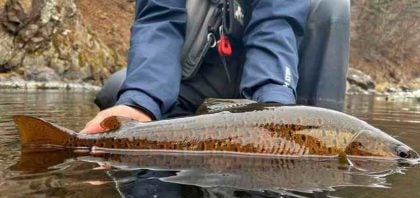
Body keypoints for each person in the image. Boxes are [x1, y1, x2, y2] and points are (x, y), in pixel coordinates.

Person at [81, 0, 350, 134]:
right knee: (117, 90)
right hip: (199, 73)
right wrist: (140, 102)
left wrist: (273, 110)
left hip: (273, 77)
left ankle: (315, 134)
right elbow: (159, 17)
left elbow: (276, 25)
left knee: (333, 4)